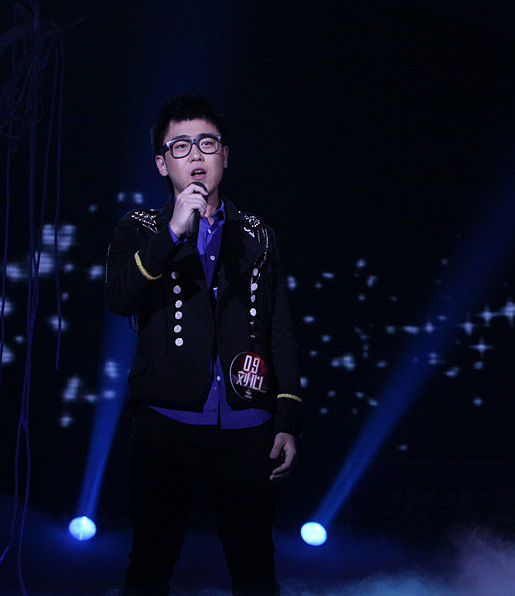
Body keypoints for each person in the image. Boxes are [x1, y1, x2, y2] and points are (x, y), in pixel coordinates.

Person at [105, 93, 302, 596]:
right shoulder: (139, 228)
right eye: (181, 146)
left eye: (207, 144)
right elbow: (120, 298)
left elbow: (279, 327)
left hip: (246, 422)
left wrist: (285, 417)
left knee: (255, 567)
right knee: (150, 563)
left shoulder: (257, 234)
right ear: (162, 163)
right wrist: (173, 231)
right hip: (166, 423)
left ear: (225, 155)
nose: (195, 155)